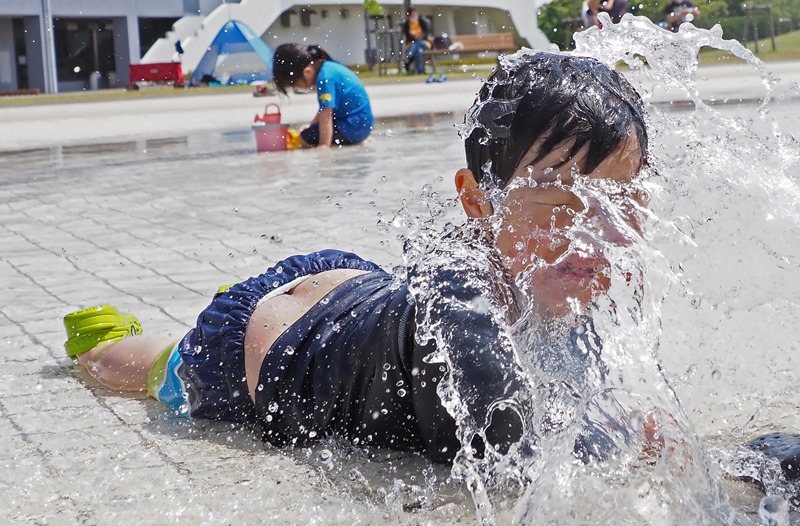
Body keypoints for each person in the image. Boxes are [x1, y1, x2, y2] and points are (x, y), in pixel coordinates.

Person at [61, 51, 798, 476]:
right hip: (260, 346)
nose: (594, 239)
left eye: (621, 205)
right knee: (152, 371)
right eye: (558, 202)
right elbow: (524, 457)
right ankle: (107, 339)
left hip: (356, 293)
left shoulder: (557, 272)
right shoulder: (462, 315)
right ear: (478, 202)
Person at [272, 44, 373, 148]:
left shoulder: (324, 79)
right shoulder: (328, 68)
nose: (297, 88)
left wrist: (323, 144)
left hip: (353, 126)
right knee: (310, 132)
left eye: (295, 85)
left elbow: (326, 113)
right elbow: (324, 109)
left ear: (307, 72)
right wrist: (312, 125)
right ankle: (354, 141)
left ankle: (350, 142)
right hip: (361, 124)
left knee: (306, 138)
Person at [401, 7, 432, 74]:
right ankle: (420, 71)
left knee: (418, 43)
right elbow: (408, 37)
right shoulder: (407, 25)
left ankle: (409, 57)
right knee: (419, 51)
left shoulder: (421, 22)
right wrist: (416, 38)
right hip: (411, 45)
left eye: (415, 15)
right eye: (412, 15)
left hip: (424, 43)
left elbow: (426, 32)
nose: (414, 16)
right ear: (409, 17)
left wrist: (417, 38)